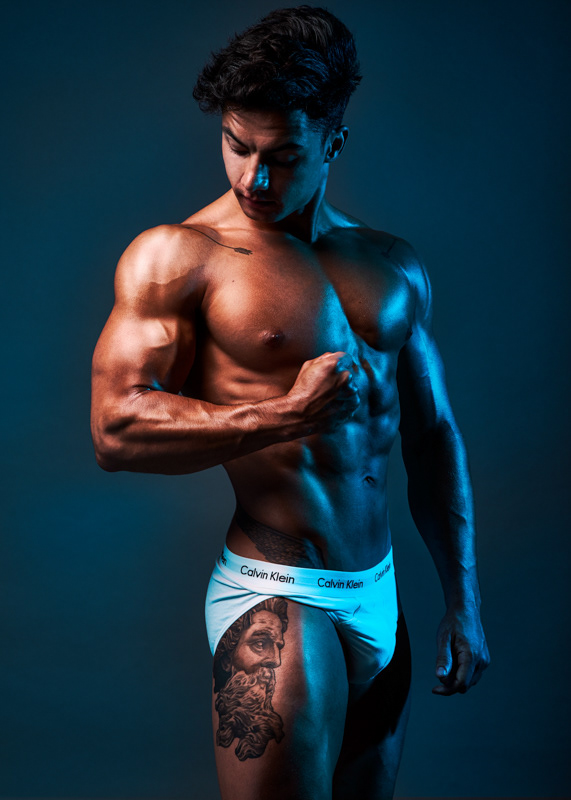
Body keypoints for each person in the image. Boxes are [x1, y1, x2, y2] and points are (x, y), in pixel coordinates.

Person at [90, 6, 490, 799]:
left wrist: (463, 598)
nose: (252, 179)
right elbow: (116, 428)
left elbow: (432, 436)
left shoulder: (390, 264)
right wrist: (283, 417)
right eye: (236, 146)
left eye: (281, 156)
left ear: (332, 143)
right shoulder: (180, 257)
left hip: (379, 596)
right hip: (278, 597)